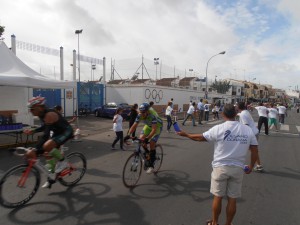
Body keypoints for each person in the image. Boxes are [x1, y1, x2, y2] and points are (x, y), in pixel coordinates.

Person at [177, 104, 258, 225]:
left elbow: (200, 138)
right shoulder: (247, 130)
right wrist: (251, 166)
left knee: (218, 197)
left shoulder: (219, 128)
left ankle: (215, 222)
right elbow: (255, 150)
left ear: (223, 114)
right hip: (238, 169)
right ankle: (228, 223)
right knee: (232, 199)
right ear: (236, 114)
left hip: (220, 168)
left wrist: (187, 135)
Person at [24, 96, 74, 188]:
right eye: (30, 109)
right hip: (57, 133)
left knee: (46, 146)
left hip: (66, 131)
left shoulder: (49, 114)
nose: (31, 111)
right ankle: (51, 178)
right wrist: (33, 131)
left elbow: (45, 135)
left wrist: (35, 149)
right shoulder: (41, 114)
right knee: (47, 154)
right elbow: (45, 126)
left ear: (40, 107)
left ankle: (63, 162)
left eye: (32, 109)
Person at [125, 102, 163, 174]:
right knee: (141, 139)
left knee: (151, 142)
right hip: (148, 126)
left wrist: (147, 138)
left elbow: (154, 130)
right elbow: (134, 125)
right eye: (141, 112)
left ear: (147, 111)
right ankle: (147, 154)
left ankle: (152, 163)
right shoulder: (140, 115)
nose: (142, 114)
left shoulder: (152, 116)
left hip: (157, 127)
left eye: (144, 112)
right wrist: (128, 134)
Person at [237, 102, 264, 172]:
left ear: (238, 107)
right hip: (255, 132)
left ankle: (237, 164)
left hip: (251, 134)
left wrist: (244, 136)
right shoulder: (246, 112)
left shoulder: (243, 114)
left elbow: (246, 125)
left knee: (248, 149)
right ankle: (259, 165)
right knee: (254, 150)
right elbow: (241, 114)